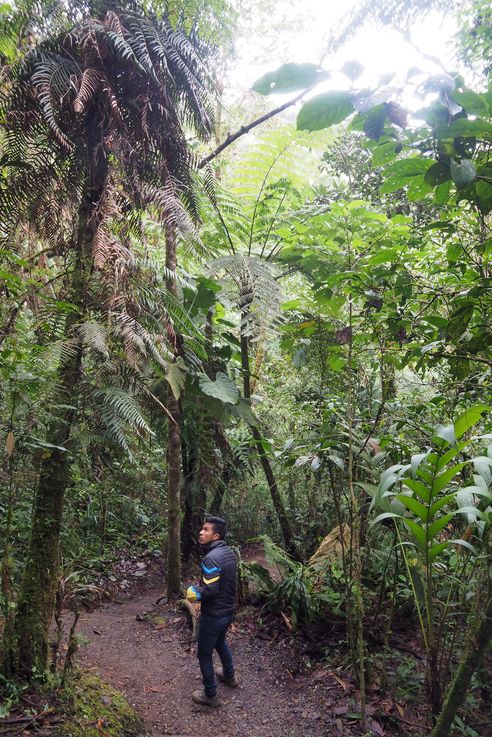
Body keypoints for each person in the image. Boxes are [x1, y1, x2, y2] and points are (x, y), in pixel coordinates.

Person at [186, 515, 238, 707]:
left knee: (204, 655)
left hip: (214, 614)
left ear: (215, 536)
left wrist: (194, 592)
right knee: (220, 641)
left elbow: (210, 591)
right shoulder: (228, 553)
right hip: (228, 611)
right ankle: (229, 676)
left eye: (206, 530)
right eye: (202, 528)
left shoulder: (211, 558)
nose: (201, 532)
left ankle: (210, 695)